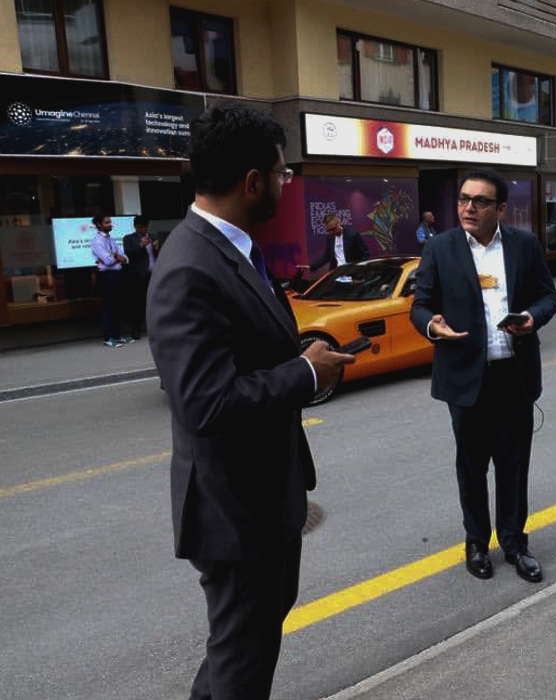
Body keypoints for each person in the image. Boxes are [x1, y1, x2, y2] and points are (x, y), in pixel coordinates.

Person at [146, 103, 355, 700]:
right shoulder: (191, 265)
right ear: (253, 182)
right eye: (284, 173)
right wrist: (303, 374)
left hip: (262, 500)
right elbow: (203, 404)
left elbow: (246, 351)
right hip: (232, 511)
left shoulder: (232, 248)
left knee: (247, 644)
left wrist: (301, 352)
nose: (288, 184)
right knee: (243, 659)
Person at [409, 167, 556, 584]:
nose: (468, 207)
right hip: (464, 378)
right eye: (463, 199)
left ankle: (515, 544)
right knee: (471, 468)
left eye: (479, 201)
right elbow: (420, 305)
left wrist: (531, 318)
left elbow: (549, 295)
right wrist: (431, 326)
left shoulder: (525, 245)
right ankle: (476, 542)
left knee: (514, 467)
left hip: (514, 375)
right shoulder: (441, 248)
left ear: (501, 209)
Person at [90, 213, 128, 347]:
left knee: (117, 306)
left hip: (117, 274)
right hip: (107, 276)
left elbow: (125, 258)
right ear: (99, 225)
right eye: (107, 222)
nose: (110, 224)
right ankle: (108, 337)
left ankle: (117, 335)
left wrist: (116, 256)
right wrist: (115, 257)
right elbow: (108, 260)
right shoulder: (97, 241)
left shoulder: (111, 240)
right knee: (109, 307)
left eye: (110, 222)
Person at [121, 215, 156, 341]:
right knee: (137, 304)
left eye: (145, 227)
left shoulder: (152, 236)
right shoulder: (129, 238)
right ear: (135, 227)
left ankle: (155, 329)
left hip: (153, 275)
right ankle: (136, 330)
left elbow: (160, 254)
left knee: (153, 303)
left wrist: (157, 247)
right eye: (141, 228)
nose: (144, 230)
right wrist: (141, 246)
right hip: (138, 276)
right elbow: (129, 253)